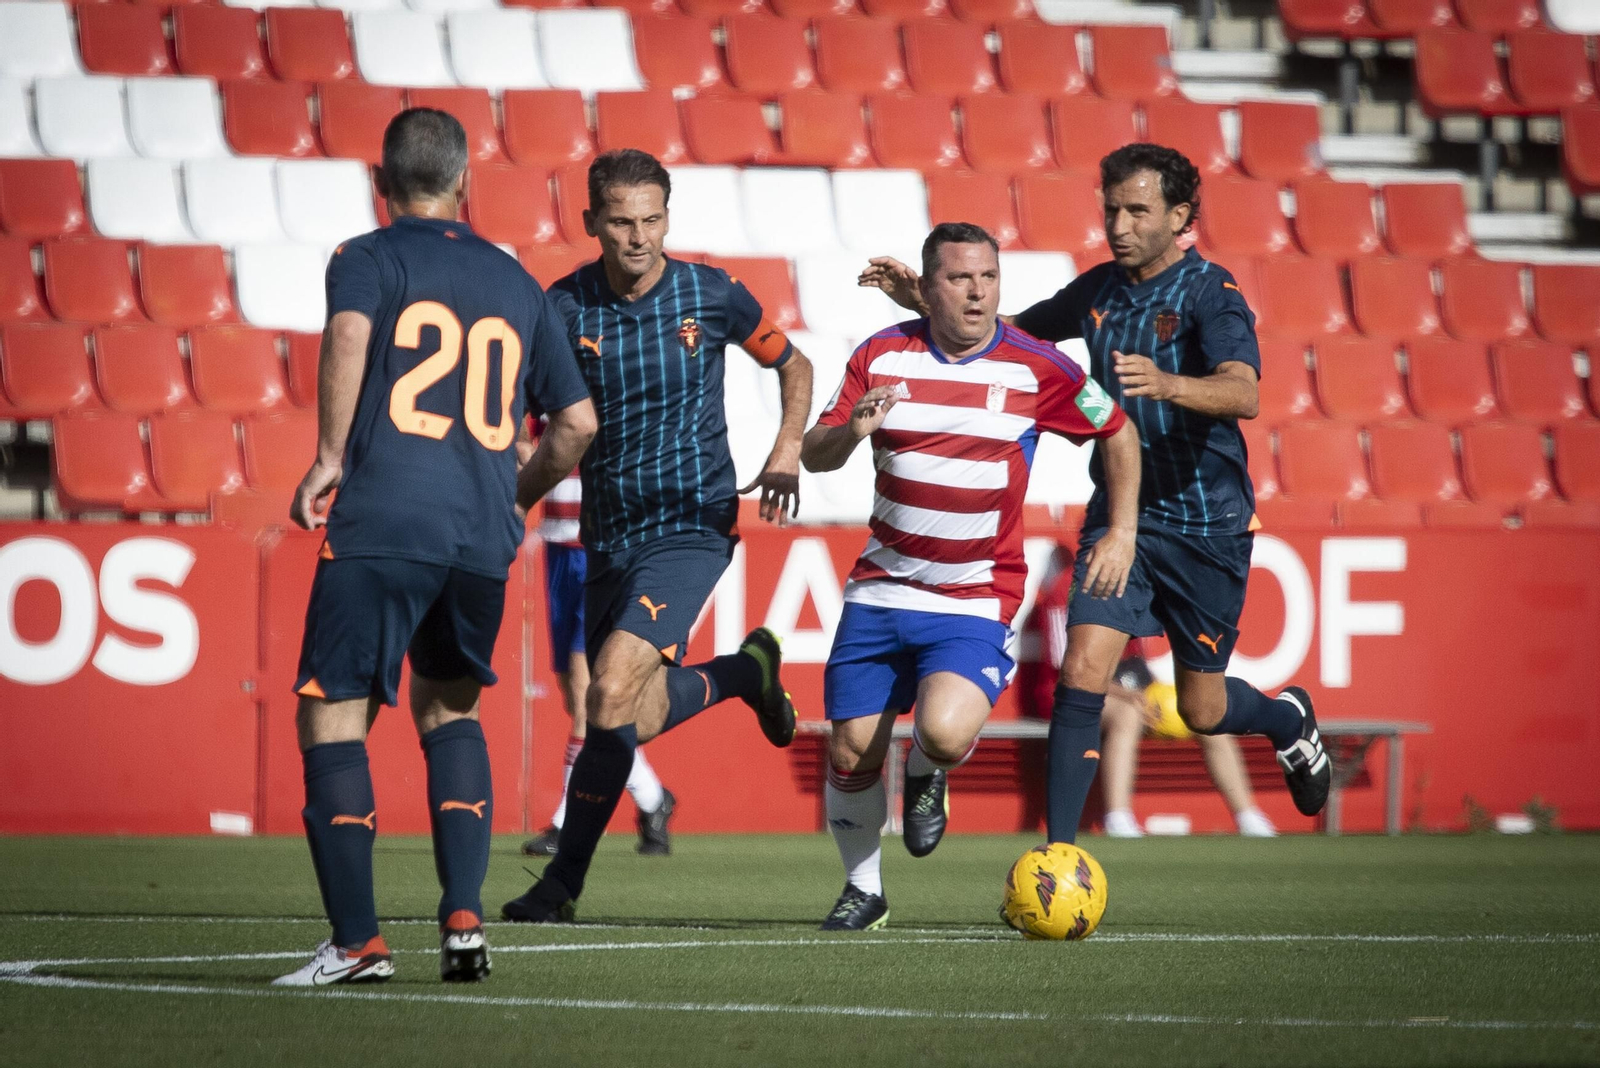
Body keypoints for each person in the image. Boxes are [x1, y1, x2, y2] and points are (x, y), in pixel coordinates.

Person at [860, 143, 1331, 846]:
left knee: (1202, 709)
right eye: (1112, 209)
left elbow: (1245, 392)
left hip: (1206, 524)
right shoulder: (1098, 291)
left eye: (1138, 211)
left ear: (1180, 217)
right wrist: (930, 302)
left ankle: (1287, 719)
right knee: (1082, 668)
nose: (1119, 225)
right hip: (1119, 519)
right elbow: (1007, 338)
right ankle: (1059, 857)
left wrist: (1169, 384)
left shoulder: (1212, 293)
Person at [275, 108, 596, 986]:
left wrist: (329, 458)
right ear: (464, 182)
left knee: (333, 713)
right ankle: (462, 920)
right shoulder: (518, 282)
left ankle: (356, 943)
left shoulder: (366, 257)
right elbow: (576, 424)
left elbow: (348, 335)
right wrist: (513, 497)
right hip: (478, 537)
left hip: (383, 519)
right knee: (451, 714)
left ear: (381, 183)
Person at [501, 149, 815, 923]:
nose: (639, 237)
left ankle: (561, 886)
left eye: (651, 220)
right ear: (591, 223)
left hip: (693, 524)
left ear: (667, 218)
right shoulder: (562, 309)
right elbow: (522, 417)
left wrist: (786, 450)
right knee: (627, 715)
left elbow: (795, 364)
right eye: (621, 222)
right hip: (609, 536)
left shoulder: (710, 294)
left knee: (605, 690)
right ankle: (744, 675)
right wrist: (506, 481)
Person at [801, 222, 1142, 931]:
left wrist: (1122, 531)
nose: (977, 292)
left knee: (946, 733)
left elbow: (1117, 429)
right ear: (928, 288)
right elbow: (816, 452)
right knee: (851, 751)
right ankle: (864, 889)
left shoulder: (1036, 366)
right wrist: (850, 432)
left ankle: (929, 769)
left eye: (988, 277)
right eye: (959, 278)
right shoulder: (880, 353)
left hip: (975, 595)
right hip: (882, 586)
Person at [1026, 561, 1274, 836]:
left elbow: (1135, 663)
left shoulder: (1134, 584)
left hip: (1122, 691)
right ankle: (1118, 817)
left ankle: (1249, 816)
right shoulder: (1066, 588)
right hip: (1066, 694)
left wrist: (1153, 694)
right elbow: (1071, 671)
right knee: (1127, 716)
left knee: (1206, 711)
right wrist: (1131, 697)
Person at [520, 434, 676, 858]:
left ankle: (567, 824)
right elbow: (525, 435)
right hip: (558, 546)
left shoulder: (613, 392)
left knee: (587, 695)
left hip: (601, 548)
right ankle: (653, 798)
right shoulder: (542, 392)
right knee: (576, 698)